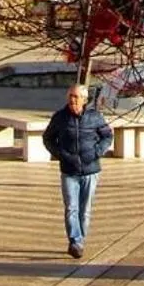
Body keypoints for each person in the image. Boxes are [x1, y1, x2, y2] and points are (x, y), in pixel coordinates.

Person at [43, 83, 112, 259]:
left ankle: (80, 239)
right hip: (69, 170)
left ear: (84, 99)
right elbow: (48, 138)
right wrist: (60, 155)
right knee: (71, 208)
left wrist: (97, 152)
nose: (72, 100)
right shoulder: (60, 117)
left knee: (85, 210)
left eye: (76, 97)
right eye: (70, 96)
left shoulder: (94, 117)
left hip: (91, 170)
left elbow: (107, 136)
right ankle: (76, 241)